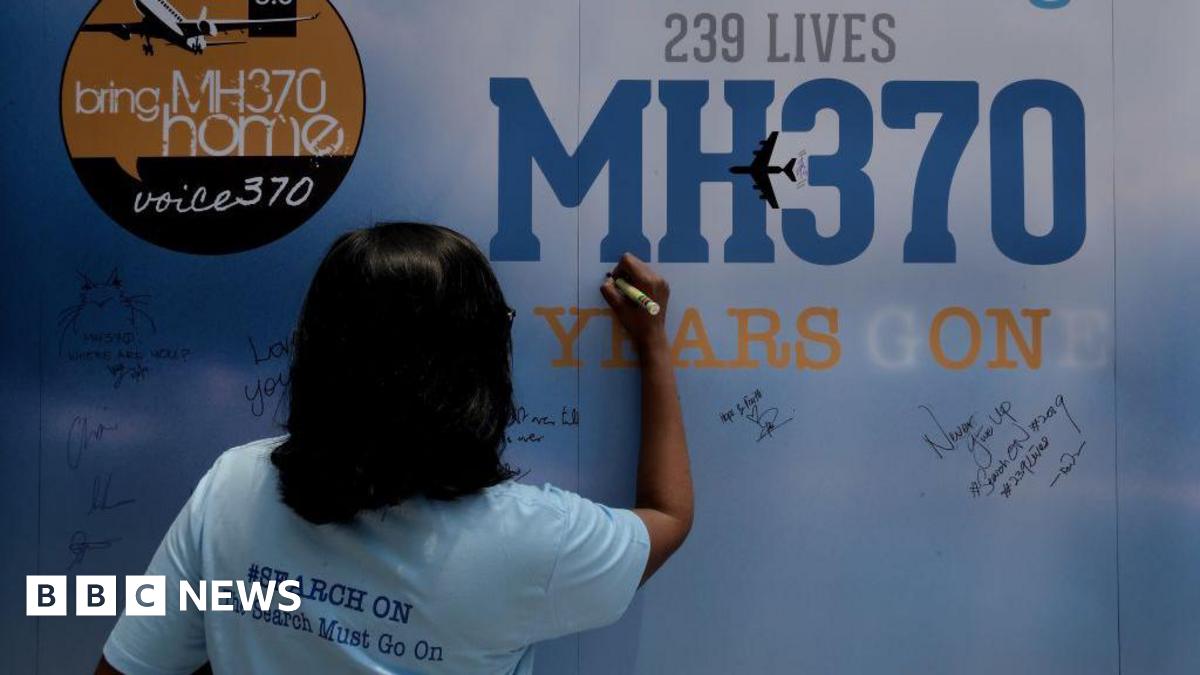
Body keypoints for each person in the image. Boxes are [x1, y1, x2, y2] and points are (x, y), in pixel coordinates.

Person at [96, 222, 692, 674]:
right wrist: (654, 340)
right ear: (473, 368)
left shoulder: (233, 487)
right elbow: (668, 516)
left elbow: (126, 669)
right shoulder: (537, 540)